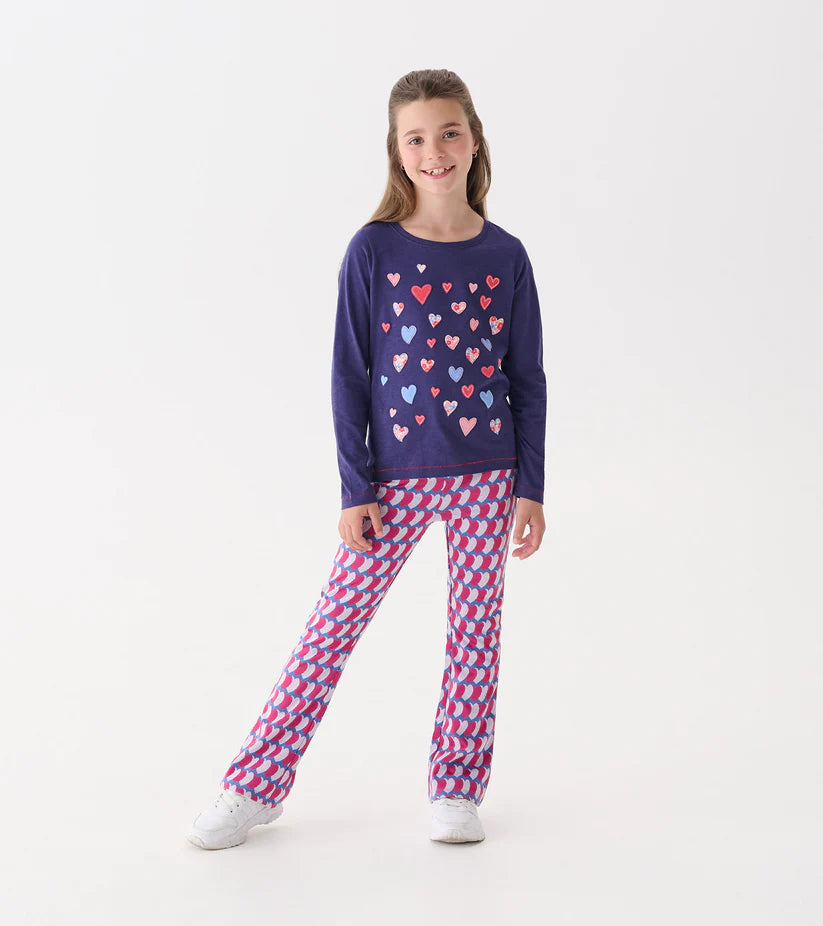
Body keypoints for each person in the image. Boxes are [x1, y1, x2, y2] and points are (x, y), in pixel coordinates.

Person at [187, 68, 547, 851]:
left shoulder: (505, 255)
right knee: (330, 631)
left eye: (448, 132)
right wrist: (355, 487)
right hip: (394, 481)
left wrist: (531, 485)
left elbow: (525, 377)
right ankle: (253, 786)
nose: (434, 150)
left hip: (489, 477)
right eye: (415, 137)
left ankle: (456, 789)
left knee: (475, 635)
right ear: (396, 150)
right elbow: (349, 374)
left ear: (473, 140)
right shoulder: (373, 249)